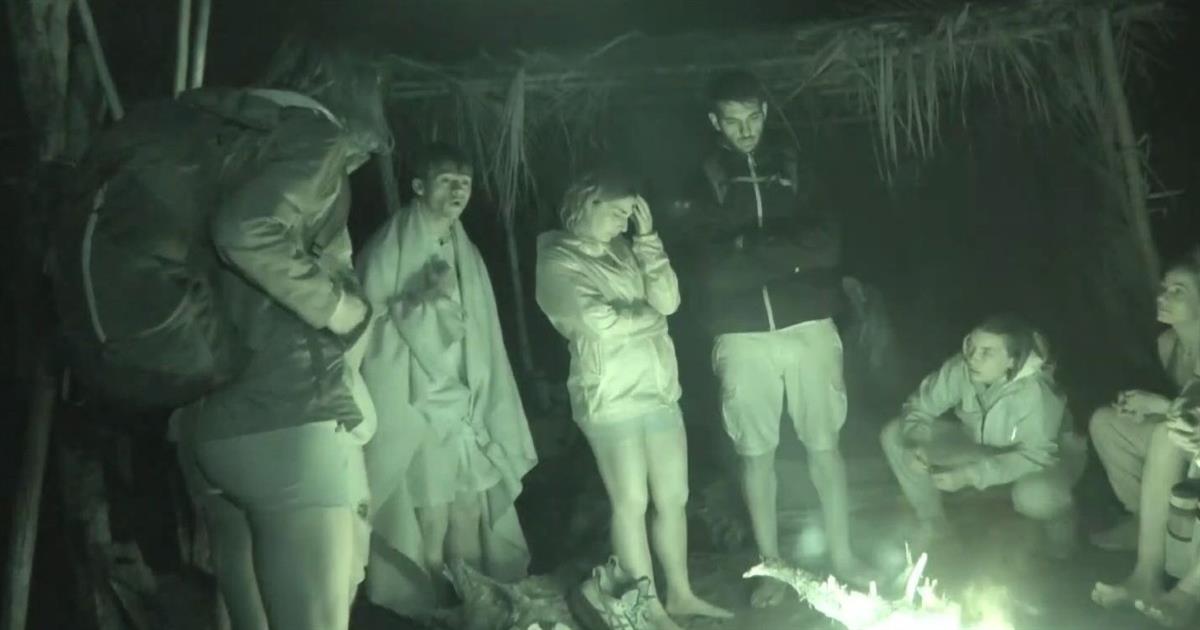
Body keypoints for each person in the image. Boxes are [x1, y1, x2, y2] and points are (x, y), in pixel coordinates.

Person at [170, 39, 389, 630]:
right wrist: (339, 308)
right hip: (286, 411)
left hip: (206, 411)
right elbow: (243, 230)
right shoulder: (313, 134)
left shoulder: (217, 137)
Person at [670, 69, 872, 606]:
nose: (745, 129)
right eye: (733, 120)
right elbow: (709, 270)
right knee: (756, 453)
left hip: (809, 326)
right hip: (741, 336)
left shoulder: (796, 168)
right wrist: (785, 251)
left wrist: (746, 248)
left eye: (753, 117)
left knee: (825, 446)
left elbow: (826, 244)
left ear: (765, 113)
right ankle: (772, 567)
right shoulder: (701, 179)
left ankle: (843, 557)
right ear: (714, 121)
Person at [535, 169, 734, 629]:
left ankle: (680, 594)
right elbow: (597, 323)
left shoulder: (625, 248)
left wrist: (648, 241)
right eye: (617, 213)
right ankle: (647, 606)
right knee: (630, 500)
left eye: (629, 214)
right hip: (609, 395)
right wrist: (651, 319)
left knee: (674, 495)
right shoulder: (557, 259)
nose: (624, 222)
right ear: (586, 206)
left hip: (658, 387)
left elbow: (669, 300)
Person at [356, 142, 538, 615]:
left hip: (464, 401)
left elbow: (482, 329)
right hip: (417, 400)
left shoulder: (464, 247)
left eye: (465, 183)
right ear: (419, 186)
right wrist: (428, 303)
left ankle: (473, 608)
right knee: (431, 512)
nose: (458, 192)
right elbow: (370, 323)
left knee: (469, 507)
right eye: (446, 182)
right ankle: (434, 610)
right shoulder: (390, 244)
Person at [880, 315, 1086, 558]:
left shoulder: (1037, 392)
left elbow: (1034, 456)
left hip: (1045, 459)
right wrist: (915, 442)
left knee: (1036, 496)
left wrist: (970, 475)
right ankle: (934, 525)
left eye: (987, 352)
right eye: (971, 346)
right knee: (895, 435)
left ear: (1012, 360)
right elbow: (920, 406)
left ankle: (1061, 524)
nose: (972, 358)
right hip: (984, 446)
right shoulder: (962, 368)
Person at [1088, 248, 1200, 551]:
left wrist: (1159, 406)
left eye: (1178, 291)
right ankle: (1144, 521)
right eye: (1164, 288)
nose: (1163, 297)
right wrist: (1144, 409)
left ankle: (1163, 544)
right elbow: (1186, 408)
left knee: (1165, 435)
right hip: (1184, 438)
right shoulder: (1167, 343)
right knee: (1105, 421)